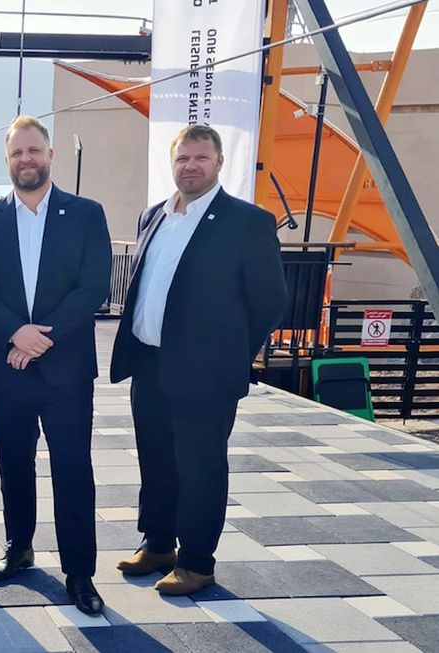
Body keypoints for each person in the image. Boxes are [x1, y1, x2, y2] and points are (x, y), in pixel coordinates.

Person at [110, 124, 288, 595]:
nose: (190, 167)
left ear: (219, 163)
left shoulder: (247, 222)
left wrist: (229, 357)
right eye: (183, 159)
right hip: (149, 363)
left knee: (201, 466)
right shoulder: (154, 216)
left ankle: (196, 561)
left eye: (200, 159)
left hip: (206, 374)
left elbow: (270, 302)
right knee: (156, 459)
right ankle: (158, 544)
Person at [0, 115, 112, 616]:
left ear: (50, 155)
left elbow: (94, 286)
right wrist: (15, 332)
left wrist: (38, 339)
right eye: (16, 153)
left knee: (73, 470)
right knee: (13, 464)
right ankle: (19, 548)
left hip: (66, 372)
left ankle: (80, 573)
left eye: (34, 151)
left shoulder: (87, 213)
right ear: (6, 161)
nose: (25, 160)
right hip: (4, 369)